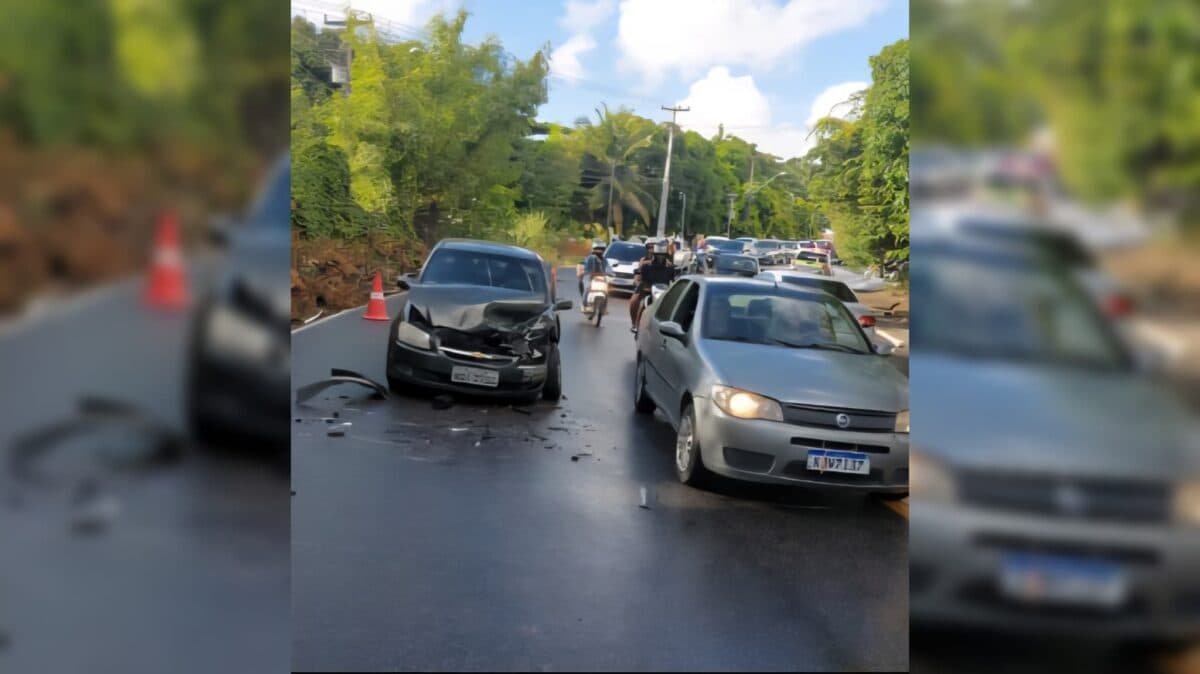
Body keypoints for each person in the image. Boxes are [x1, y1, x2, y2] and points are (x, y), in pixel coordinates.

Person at [630, 239, 677, 331]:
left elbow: (674, 279)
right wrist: (639, 282)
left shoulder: (670, 266)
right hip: (646, 290)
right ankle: (635, 324)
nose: (660, 257)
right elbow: (638, 276)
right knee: (635, 301)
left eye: (662, 255)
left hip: (663, 293)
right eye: (658, 255)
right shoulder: (645, 264)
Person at [579, 239, 607, 304]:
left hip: (600, 277)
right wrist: (582, 271)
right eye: (597, 248)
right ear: (593, 249)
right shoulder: (588, 258)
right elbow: (582, 265)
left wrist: (611, 273)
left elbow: (607, 268)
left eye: (601, 249)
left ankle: (604, 305)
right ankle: (584, 302)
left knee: (607, 289)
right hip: (589, 276)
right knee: (587, 287)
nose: (599, 250)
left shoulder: (604, 260)